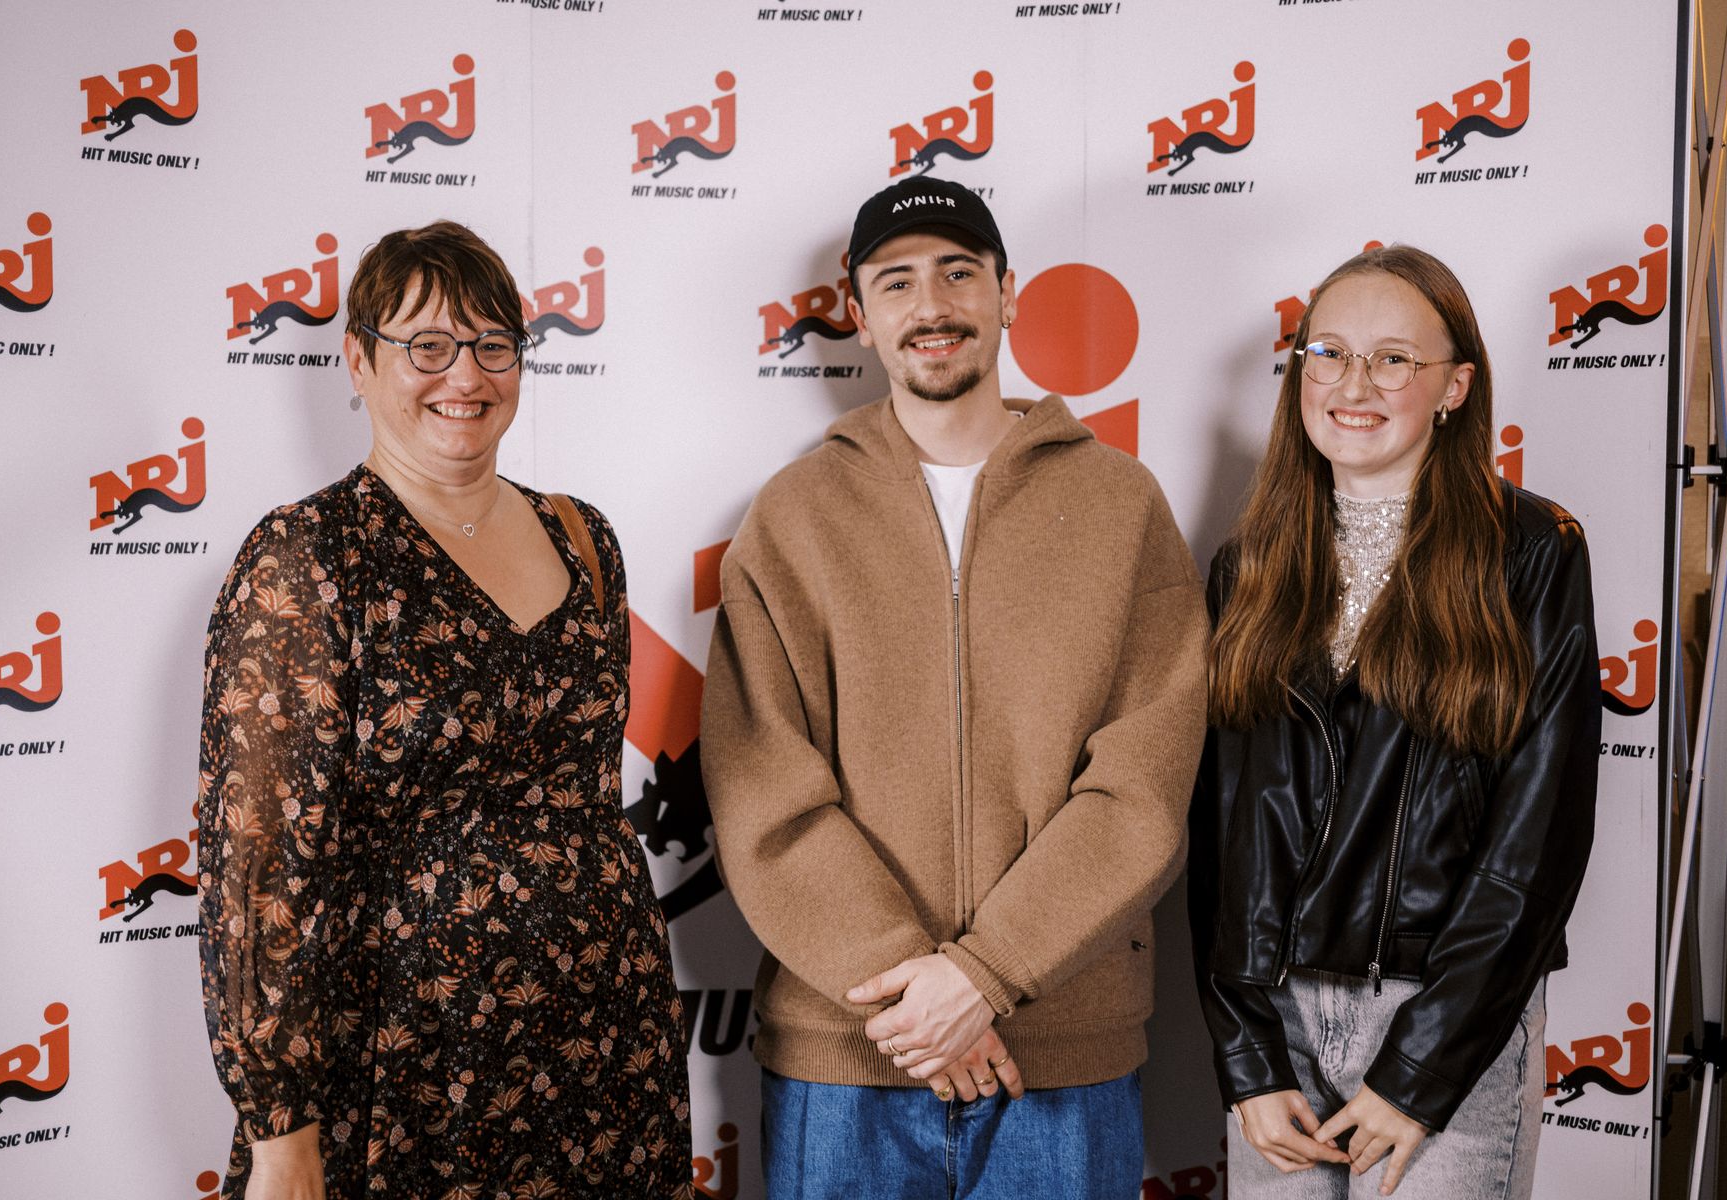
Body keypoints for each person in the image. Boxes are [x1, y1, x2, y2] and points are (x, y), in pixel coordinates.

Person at [700, 176, 1208, 1199]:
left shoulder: (1120, 505)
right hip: (848, 1057)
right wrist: (917, 1001)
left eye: (958, 273)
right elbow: (764, 795)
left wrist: (986, 973)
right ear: (859, 313)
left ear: (1009, 294)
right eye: (896, 282)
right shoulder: (794, 517)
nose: (930, 306)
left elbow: (1142, 786)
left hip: (1061, 1054)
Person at [196, 221, 692, 1200]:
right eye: (426, 345)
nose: (463, 375)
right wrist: (279, 1127)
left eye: (491, 344)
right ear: (359, 361)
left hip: (606, 1040)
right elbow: (258, 865)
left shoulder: (583, 535)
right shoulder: (310, 556)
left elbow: (590, 797)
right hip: (410, 1063)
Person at [1188, 245, 1600, 1198]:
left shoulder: (1532, 553)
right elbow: (1219, 829)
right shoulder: (1246, 566)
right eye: (1329, 353)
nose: (1353, 384)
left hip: (1446, 1018)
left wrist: (1421, 1068)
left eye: (1393, 360)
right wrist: (1246, 1056)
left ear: (1455, 387)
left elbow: (1539, 835)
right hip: (1278, 1030)